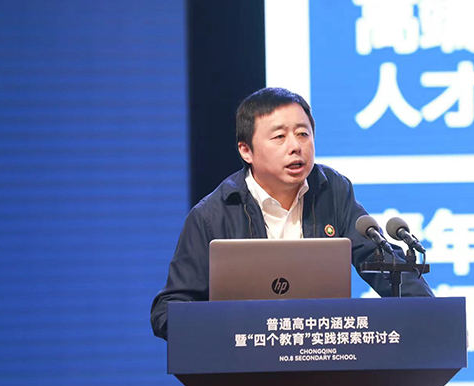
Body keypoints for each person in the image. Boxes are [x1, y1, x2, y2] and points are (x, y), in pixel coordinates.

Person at [150, 87, 433, 340]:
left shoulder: (332, 191)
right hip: (243, 365)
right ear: (246, 151)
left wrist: (435, 318)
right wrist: (227, 333)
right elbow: (167, 311)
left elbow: (380, 263)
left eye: (302, 134)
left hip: (319, 359)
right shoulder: (212, 215)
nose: (295, 146)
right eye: (279, 136)